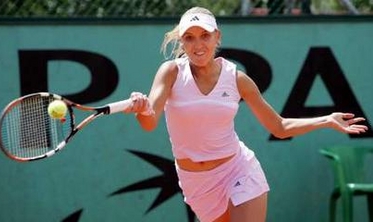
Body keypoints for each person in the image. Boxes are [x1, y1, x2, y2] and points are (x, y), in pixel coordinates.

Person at [124, 6, 368, 222]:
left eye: (205, 36)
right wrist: (143, 108)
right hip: (196, 182)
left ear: (217, 37)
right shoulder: (170, 73)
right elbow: (150, 121)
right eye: (190, 38)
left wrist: (327, 120)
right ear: (182, 42)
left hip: (237, 169)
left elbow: (279, 127)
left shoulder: (238, 79)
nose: (198, 45)